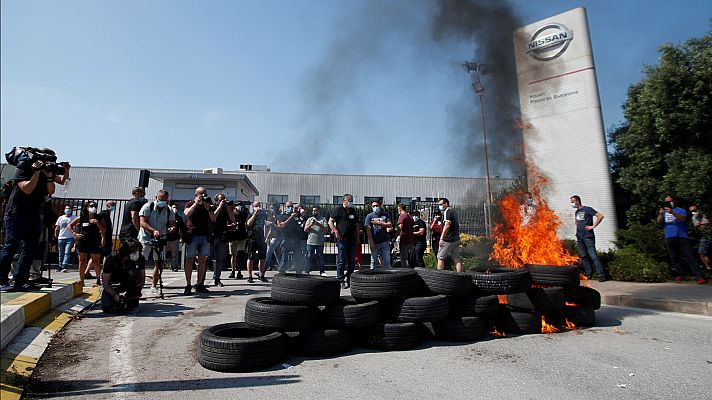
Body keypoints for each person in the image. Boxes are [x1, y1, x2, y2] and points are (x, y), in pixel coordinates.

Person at [1, 157, 68, 292]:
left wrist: (61, 173)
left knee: (30, 248)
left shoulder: (47, 173)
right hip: (17, 213)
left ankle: (21, 280)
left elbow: (53, 189)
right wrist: (36, 172)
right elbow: (27, 189)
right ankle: (2, 279)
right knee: (11, 247)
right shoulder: (24, 168)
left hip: (34, 214)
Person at [656, 195, 706, 284]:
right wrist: (660, 214)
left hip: (681, 235)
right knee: (674, 257)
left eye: (670, 201)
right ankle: (680, 274)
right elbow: (659, 222)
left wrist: (672, 212)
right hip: (669, 235)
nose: (668, 203)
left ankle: (699, 276)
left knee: (689, 256)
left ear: (674, 201)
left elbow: (683, 219)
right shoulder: (664, 212)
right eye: (666, 202)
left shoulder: (680, 210)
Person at [139, 190, 176, 294]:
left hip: (161, 238)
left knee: (159, 262)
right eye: (161, 199)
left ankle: (154, 285)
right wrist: (153, 230)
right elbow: (142, 223)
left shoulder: (169, 210)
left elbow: (172, 223)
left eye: (165, 200)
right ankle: (139, 284)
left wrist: (172, 228)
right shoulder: (148, 206)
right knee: (141, 261)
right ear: (156, 197)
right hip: (146, 237)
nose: (162, 202)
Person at [183, 187, 216, 294]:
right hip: (192, 235)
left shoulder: (208, 205)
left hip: (204, 235)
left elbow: (213, 219)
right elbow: (186, 214)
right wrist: (195, 204)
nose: (203, 196)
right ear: (196, 195)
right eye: (201, 194)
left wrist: (208, 208)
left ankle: (199, 283)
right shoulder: (189, 203)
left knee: (202, 260)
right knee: (190, 259)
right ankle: (188, 284)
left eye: (205, 194)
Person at [570, 195, 609, 282]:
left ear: (577, 201)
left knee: (593, 256)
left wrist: (593, 226)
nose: (572, 204)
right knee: (584, 256)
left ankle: (601, 275)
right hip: (579, 236)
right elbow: (577, 222)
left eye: (572, 202)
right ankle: (589, 274)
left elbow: (600, 216)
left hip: (588, 236)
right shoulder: (577, 212)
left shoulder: (587, 209)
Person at [101, 238, 145, 314]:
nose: (136, 253)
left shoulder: (139, 258)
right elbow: (105, 283)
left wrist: (135, 292)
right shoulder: (112, 259)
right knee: (107, 307)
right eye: (134, 251)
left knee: (135, 272)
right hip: (113, 286)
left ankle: (132, 301)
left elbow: (142, 280)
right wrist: (115, 295)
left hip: (129, 285)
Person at [69, 201, 106, 286]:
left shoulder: (99, 217)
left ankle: (98, 279)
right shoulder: (82, 217)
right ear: (87, 207)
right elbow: (70, 225)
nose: (93, 207)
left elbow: (104, 230)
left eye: (95, 206)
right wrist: (75, 234)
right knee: (82, 260)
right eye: (91, 206)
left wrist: (97, 223)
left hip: (94, 240)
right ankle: (82, 280)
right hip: (83, 240)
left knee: (95, 260)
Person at [329, 194, 359, 288]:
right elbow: (330, 221)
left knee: (352, 261)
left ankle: (349, 278)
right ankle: (340, 279)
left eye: (351, 201)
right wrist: (336, 231)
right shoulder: (338, 209)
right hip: (341, 240)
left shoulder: (353, 211)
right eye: (349, 200)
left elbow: (357, 225)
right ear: (344, 201)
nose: (350, 202)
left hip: (351, 240)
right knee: (341, 260)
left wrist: (357, 236)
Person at [210, 193, 235, 287]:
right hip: (213, 235)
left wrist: (228, 209)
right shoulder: (212, 207)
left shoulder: (226, 209)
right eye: (221, 199)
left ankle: (217, 278)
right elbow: (213, 218)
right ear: (216, 200)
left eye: (224, 199)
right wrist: (219, 207)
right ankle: (201, 280)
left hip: (223, 236)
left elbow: (232, 219)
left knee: (220, 258)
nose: (223, 201)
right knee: (208, 257)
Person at [276, 200, 304, 273]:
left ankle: (299, 271)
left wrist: (299, 207)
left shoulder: (297, 215)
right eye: (288, 207)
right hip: (286, 239)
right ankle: (282, 271)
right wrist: (291, 217)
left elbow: (304, 212)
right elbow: (281, 225)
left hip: (295, 239)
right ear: (285, 207)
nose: (290, 208)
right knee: (284, 257)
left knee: (298, 257)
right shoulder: (281, 216)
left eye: (291, 206)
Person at [436, 198, 462, 272]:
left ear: (446, 204)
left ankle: (439, 274)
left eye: (441, 204)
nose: (440, 206)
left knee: (440, 257)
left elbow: (447, 225)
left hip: (447, 239)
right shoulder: (454, 211)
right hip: (455, 239)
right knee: (456, 258)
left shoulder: (447, 212)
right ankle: (459, 275)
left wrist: (441, 238)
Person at [364, 199, 392, 269]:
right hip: (374, 242)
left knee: (387, 261)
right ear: (371, 207)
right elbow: (368, 230)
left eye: (377, 205)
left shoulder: (385, 214)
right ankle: (372, 277)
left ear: (380, 206)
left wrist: (379, 223)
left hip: (384, 241)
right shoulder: (369, 216)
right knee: (373, 261)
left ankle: (388, 276)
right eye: (374, 206)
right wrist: (371, 242)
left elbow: (390, 224)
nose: (375, 207)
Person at [246, 201, 268, 283]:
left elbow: (270, 221)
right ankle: (250, 276)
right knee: (250, 257)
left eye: (258, 205)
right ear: (253, 207)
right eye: (256, 206)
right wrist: (255, 214)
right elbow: (248, 223)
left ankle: (261, 275)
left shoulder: (263, 215)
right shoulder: (250, 214)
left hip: (261, 238)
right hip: (252, 238)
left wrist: (269, 213)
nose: (257, 207)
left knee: (262, 258)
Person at [305, 206, 328, 275]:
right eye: (313, 211)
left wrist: (319, 225)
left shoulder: (323, 219)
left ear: (319, 211)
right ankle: (307, 270)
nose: (314, 212)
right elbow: (305, 230)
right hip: (310, 242)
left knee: (320, 257)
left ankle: (322, 271)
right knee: (309, 256)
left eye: (315, 211)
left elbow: (326, 230)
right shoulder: (310, 219)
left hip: (319, 242)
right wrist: (311, 225)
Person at [228, 201, 248, 279]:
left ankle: (239, 271)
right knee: (233, 255)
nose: (238, 207)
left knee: (240, 254)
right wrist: (230, 225)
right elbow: (227, 223)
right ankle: (233, 271)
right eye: (237, 205)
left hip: (242, 236)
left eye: (240, 205)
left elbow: (246, 222)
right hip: (233, 237)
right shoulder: (231, 214)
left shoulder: (244, 214)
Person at [54, 205, 77, 273]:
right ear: (64, 210)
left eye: (69, 208)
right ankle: (60, 265)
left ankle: (64, 266)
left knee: (67, 252)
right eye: (67, 208)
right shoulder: (61, 218)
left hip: (70, 237)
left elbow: (76, 227)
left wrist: (75, 235)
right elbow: (57, 227)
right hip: (61, 237)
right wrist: (56, 233)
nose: (68, 210)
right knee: (61, 252)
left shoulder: (74, 218)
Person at [689, 203, 711, 272]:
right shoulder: (694, 217)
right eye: (692, 211)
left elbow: (708, 222)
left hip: (709, 234)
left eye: (694, 210)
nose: (693, 212)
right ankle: (708, 268)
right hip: (704, 236)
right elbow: (696, 226)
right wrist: (697, 226)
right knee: (701, 253)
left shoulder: (704, 214)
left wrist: (702, 224)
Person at [397, 204, 414, 269]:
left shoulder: (402, 216)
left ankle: (405, 271)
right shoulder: (410, 217)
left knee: (403, 258)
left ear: (400, 209)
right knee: (408, 257)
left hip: (404, 239)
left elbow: (400, 227)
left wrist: (395, 236)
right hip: (411, 240)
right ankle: (410, 270)